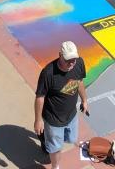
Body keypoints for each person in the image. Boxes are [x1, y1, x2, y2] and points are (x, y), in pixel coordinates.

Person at [34, 41, 87, 169]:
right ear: (60, 55)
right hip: (53, 119)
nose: (72, 63)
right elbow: (40, 97)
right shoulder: (48, 73)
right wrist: (38, 120)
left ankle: (45, 137)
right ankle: (55, 166)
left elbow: (78, 82)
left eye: (74, 59)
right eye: (68, 60)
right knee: (55, 148)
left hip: (71, 115)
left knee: (71, 139)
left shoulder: (78, 63)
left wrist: (85, 100)